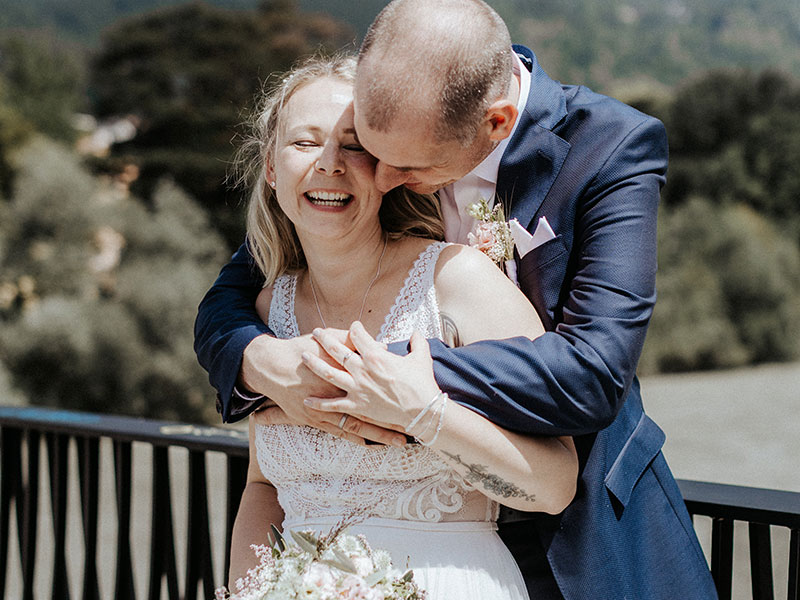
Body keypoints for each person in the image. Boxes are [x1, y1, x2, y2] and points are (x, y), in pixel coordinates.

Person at [196, 1, 718, 598]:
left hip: (584, 532)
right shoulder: (357, 175)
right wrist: (261, 361)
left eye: (404, 164)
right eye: (373, 150)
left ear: (496, 124)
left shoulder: (607, 148)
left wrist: (367, 374)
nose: (381, 177)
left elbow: (594, 373)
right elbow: (225, 304)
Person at [226, 54, 578, 600]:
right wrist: (250, 592)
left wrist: (424, 414)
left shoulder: (456, 281)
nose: (329, 164)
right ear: (272, 168)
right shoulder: (268, 310)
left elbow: (554, 484)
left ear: (387, 167)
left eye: (354, 146)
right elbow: (262, 486)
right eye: (304, 142)